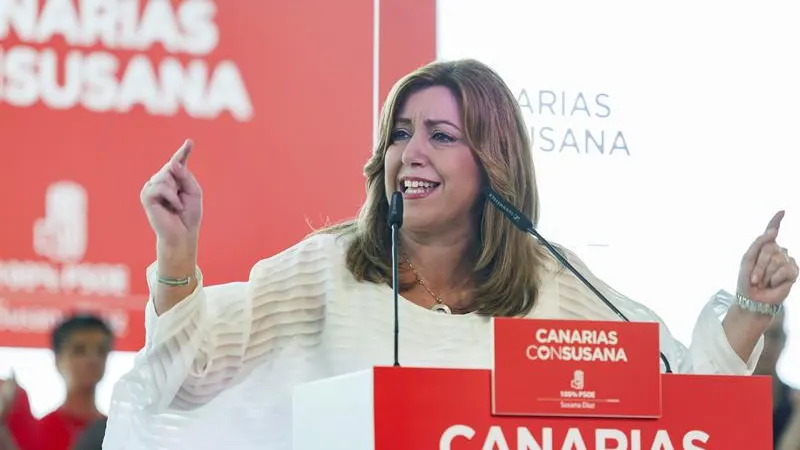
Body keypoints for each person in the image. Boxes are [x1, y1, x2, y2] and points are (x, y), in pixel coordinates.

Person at [103, 59, 799, 450]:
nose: (411, 152)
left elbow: (676, 396)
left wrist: (749, 307)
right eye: (402, 132)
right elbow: (185, 378)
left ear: (493, 162)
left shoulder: (550, 283)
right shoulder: (324, 269)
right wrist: (177, 249)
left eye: (440, 135)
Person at [38, 315, 113, 450]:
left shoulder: (116, 431)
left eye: (101, 351)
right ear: (58, 359)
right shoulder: (38, 431)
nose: (92, 359)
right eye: (79, 350)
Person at [755, 308, 800, 449]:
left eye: (774, 335)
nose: (766, 345)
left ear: (784, 339)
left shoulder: (795, 403)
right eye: (759, 335)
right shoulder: (726, 402)